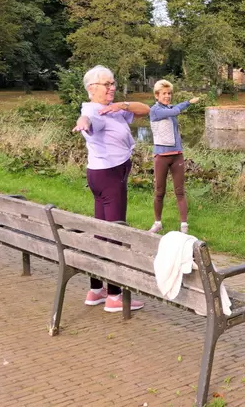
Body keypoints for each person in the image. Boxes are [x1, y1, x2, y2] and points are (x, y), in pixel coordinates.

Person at [71, 65, 151, 313]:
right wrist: (82, 123)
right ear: (92, 88)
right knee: (115, 233)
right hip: (109, 176)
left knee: (102, 232)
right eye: (107, 84)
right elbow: (87, 119)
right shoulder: (94, 112)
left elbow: (146, 110)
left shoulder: (113, 110)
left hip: (101, 174)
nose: (112, 88)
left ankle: (96, 290)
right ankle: (115, 296)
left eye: (113, 83)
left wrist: (122, 105)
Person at [147, 80, 200, 234]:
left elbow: (175, 109)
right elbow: (175, 111)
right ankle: (157, 222)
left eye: (169, 93)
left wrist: (189, 102)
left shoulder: (170, 107)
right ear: (157, 95)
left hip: (177, 155)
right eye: (164, 93)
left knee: (180, 191)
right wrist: (187, 102)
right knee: (159, 191)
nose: (168, 96)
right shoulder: (155, 111)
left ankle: (184, 226)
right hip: (161, 156)